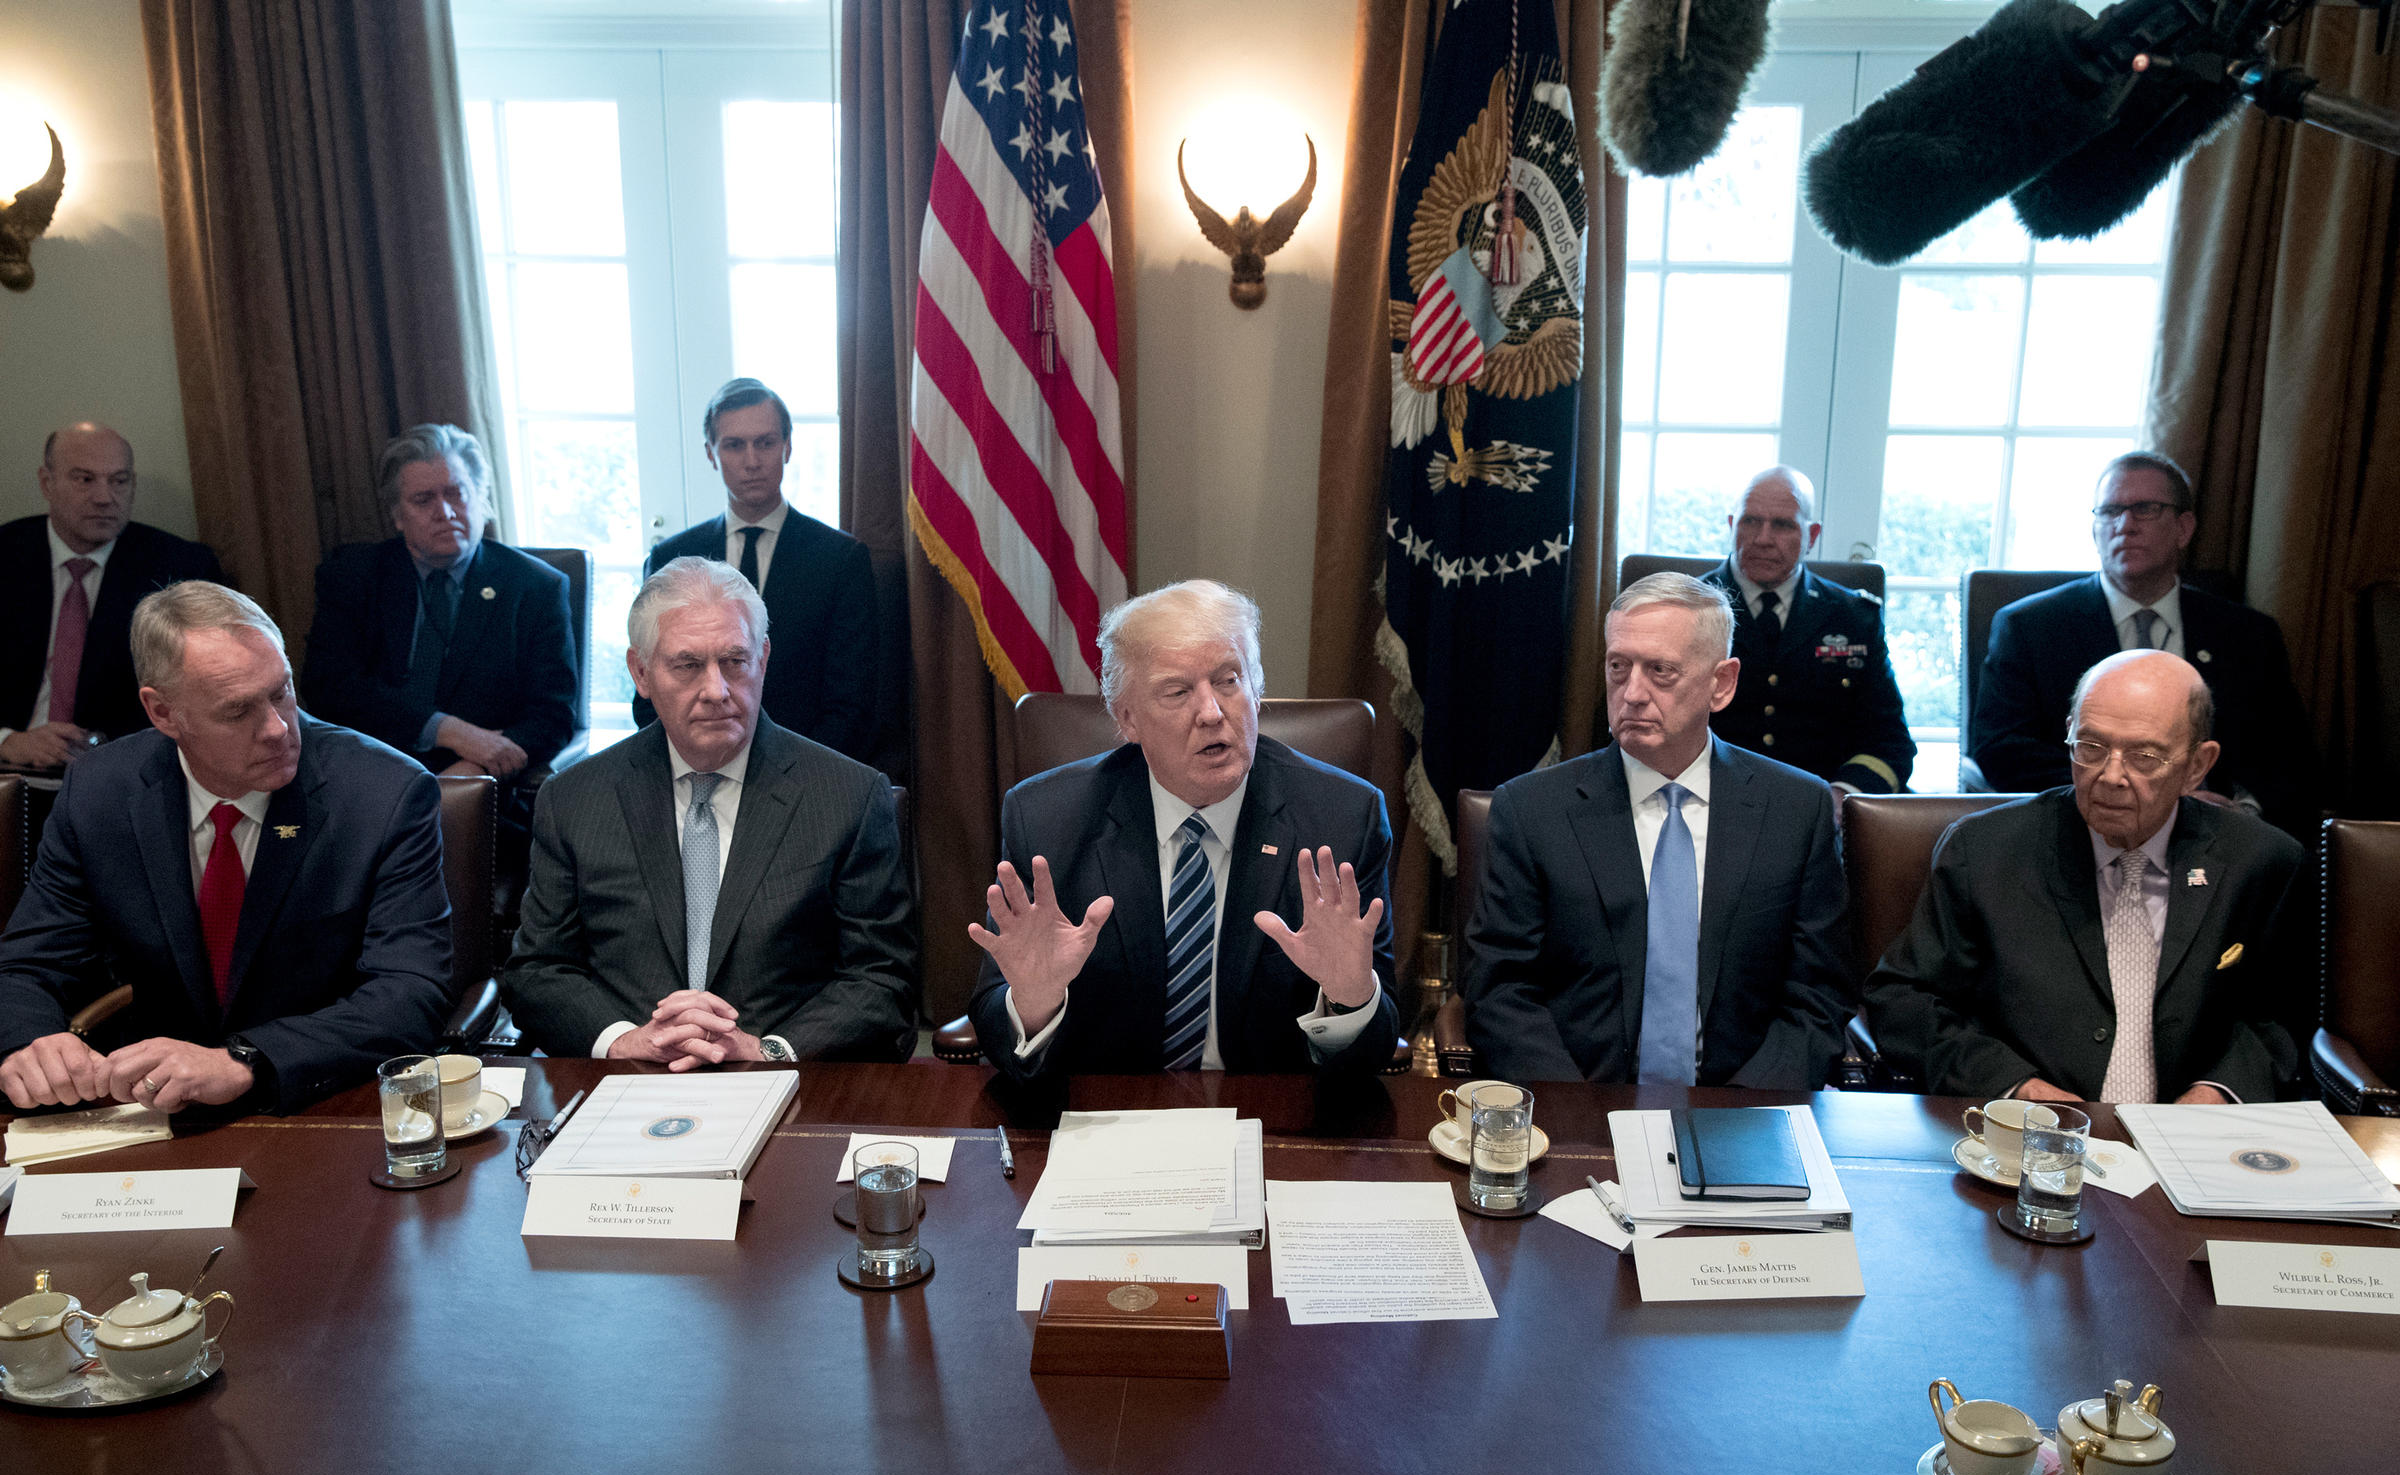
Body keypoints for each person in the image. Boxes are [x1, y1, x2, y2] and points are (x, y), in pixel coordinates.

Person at [0, 582, 452, 1115]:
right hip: (153, 1112)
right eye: (237, 712)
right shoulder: (100, 792)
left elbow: (410, 991)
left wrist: (246, 1059)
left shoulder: (383, 793)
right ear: (163, 713)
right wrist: (31, 1044)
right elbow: (26, 967)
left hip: (318, 1102)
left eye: (281, 690)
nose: (279, 728)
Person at [966, 580, 1398, 1079]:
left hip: (1272, 1122)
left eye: (1229, 680)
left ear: (1256, 693)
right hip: (1109, 1121)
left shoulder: (1343, 818)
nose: (1212, 713)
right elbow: (997, 1027)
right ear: (1128, 719)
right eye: (1177, 691)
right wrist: (1035, 1003)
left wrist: (1350, 999)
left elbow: (1378, 1049)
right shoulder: (1046, 819)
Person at [502, 558, 914, 1065]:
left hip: (782, 1082)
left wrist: (765, 1051)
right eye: (688, 665)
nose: (717, 690)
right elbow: (538, 970)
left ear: (762, 659)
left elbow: (882, 979)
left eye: (735, 661)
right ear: (641, 672)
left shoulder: (847, 794)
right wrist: (625, 1041)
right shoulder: (574, 800)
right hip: (629, 1080)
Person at [1464, 572, 1853, 1087]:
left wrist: (1735, 1114)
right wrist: (1577, 1110)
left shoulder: (1795, 809)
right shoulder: (1532, 810)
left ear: (1722, 683)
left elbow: (1818, 995)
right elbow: (1499, 989)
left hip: (1742, 1113)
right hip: (1580, 1106)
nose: (1632, 693)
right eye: (1618, 667)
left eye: (1661, 671)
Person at [1868, 650, 2305, 1103]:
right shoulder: (1985, 852)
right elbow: (1903, 998)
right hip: (2030, 1139)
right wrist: (2014, 1087)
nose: (2111, 776)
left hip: (2196, 1143)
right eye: (2091, 748)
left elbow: (2280, 1019)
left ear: (2197, 767)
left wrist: (2218, 1092)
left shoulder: (2262, 862)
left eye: (2144, 756)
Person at [1966, 450, 2317, 836]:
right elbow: (2001, 748)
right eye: (2110, 511)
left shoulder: (2248, 634)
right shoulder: (2030, 626)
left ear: (2183, 528)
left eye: (2145, 509)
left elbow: (2290, 757)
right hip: (2082, 830)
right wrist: (2147, 798)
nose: (2125, 525)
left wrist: (2242, 812)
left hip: (2220, 838)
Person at [302, 425, 579, 858]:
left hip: (480, 796)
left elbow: (553, 714)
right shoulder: (354, 576)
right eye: (424, 500)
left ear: (481, 500)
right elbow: (329, 687)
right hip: (366, 777)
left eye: (456, 493)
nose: (445, 511)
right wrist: (448, 730)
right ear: (396, 515)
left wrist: (474, 770)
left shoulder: (534, 587)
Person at [635, 379, 878, 763]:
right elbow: (649, 696)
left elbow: (853, 702)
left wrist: (790, 772)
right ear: (712, 454)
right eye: (734, 445)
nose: (752, 461)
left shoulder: (841, 559)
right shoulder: (670, 556)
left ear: (787, 447)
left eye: (765, 443)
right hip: (696, 768)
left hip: (808, 770)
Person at [0, 423, 224, 765]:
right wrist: (8, 742)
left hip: (122, 771)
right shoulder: (6, 554)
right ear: (47, 483)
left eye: (119, 481)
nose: (105, 498)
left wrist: (103, 746)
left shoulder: (179, 568)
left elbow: (202, 692)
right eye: (84, 479)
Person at [1699, 466, 1914, 794]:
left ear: (1811, 536)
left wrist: (1843, 798)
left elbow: (1889, 741)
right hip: (1711, 801)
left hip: (1824, 807)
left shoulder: (1853, 618)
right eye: (1750, 521)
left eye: (1783, 525)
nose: (1763, 539)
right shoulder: (1688, 610)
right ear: (1732, 525)